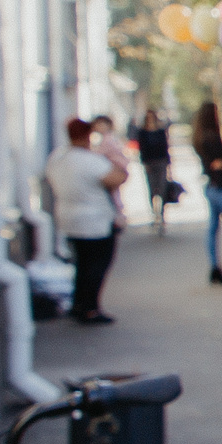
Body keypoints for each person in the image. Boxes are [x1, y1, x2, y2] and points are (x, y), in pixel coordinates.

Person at [43, 116, 125, 324]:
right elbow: (117, 178)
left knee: (82, 262)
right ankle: (90, 307)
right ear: (88, 135)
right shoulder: (90, 161)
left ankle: (79, 303)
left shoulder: (58, 158)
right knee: (97, 263)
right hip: (95, 219)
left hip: (68, 216)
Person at [192, 101, 222, 284]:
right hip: (219, 186)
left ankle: (214, 266)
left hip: (209, 186)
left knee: (213, 229)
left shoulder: (199, 137)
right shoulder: (212, 137)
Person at [135, 107, 173, 233]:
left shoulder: (160, 131)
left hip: (161, 162)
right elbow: (141, 149)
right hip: (149, 164)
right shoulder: (143, 132)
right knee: (152, 190)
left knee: (162, 189)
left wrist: (169, 164)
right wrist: (144, 162)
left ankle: (161, 215)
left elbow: (165, 147)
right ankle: (154, 213)